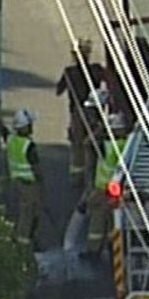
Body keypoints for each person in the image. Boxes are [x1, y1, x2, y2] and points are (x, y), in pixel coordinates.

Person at [81, 112, 130, 261]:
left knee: (98, 221)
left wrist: (100, 129)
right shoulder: (126, 144)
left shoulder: (106, 145)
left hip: (103, 189)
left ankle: (94, 250)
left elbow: (87, 143)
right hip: (115, 190)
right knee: (112, 221)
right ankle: (112, 248)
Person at [56, 39, 104, 188]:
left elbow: (59, 90)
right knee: (93, 142)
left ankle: (78, 176)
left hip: (78, 111)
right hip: (93, 111)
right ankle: (92, 174)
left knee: (78, 144)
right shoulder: (96, 70)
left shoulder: (70, 72)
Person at [6, 109, 44, 250]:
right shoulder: (29, 146)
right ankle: (24, 245)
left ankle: (23, 240)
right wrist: (41, 182)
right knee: (30, 214)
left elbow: (4, 132)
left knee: (19, 212)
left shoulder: (11, 140)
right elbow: (36, 166)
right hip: (29, 184)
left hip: (15, 182)